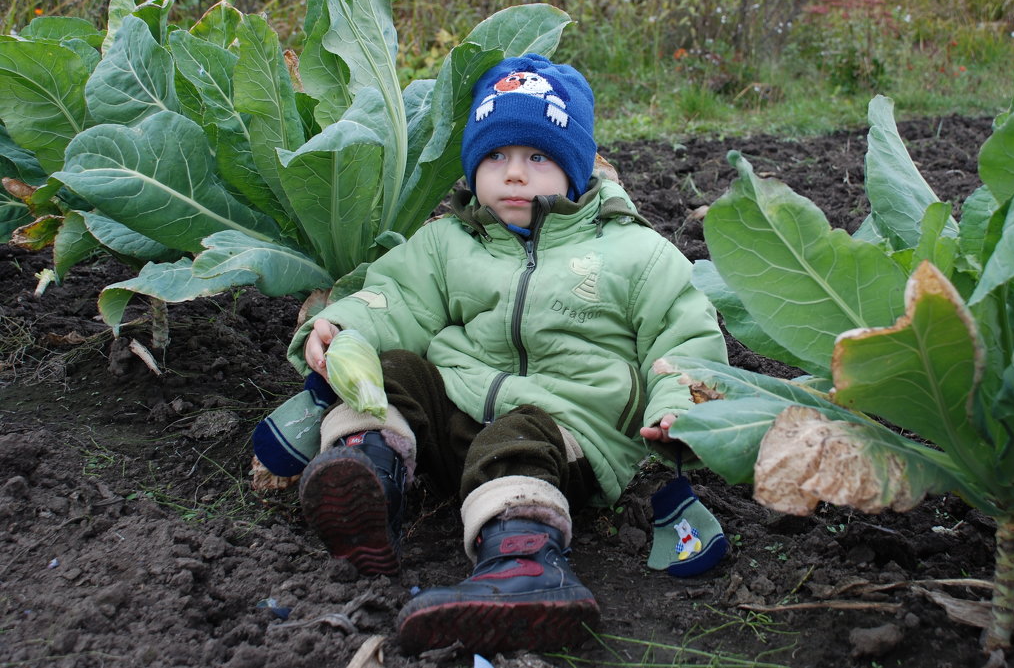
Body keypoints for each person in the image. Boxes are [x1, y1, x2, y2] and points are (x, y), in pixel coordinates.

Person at [288, 53, 728, 656]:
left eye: (537, 157)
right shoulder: (448, 243)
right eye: (496, 157)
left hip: (566, 434)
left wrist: (684, 409)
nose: (513, 175)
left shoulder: (633, 253)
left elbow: (685, 339)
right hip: (460, 422)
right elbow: (396, 299)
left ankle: (524, 563)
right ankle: (368, 480)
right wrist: (343, 324)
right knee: (394, 373)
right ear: (475, 167)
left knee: (517, 435)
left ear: (575, 168)